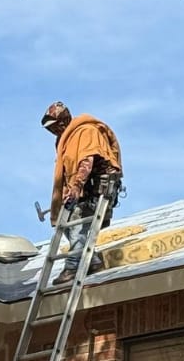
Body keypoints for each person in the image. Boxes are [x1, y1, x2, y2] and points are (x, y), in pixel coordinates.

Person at [41, 101, 123, 285]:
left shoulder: (86, 131)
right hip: (81, 189)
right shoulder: (64, 140)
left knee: (78, 222)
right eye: (50, 129)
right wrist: (65, 192)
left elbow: (87, 161)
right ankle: (92, 261)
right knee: (65, 223)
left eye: (55, 126)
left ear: (63, 120)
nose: (53, 131)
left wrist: (77, 186)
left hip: (97, 188)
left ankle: (72, 267)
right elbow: (66, 169)